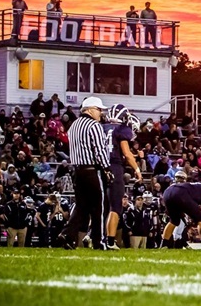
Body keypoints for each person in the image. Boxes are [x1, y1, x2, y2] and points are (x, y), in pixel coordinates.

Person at [58, 96, 112, 251]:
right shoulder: (94, 125)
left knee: (82, 205)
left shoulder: (74, 125)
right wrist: (107, 168)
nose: (100, 113)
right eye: (99, 109)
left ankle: (68, 234)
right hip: (91, 170)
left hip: (76, 170)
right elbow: (99, 149)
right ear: (90, 109)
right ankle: (98, 240)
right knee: (99, 206)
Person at [104, 104, 143, 250]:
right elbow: (125, 153)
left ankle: (95, 236)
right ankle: (109, 241)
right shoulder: (122, 130)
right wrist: (137, 170)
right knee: (116, 207)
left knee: (102, 206)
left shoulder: (102, 127)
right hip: (115, 168)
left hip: (101, 166)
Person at [160, 169, 201, 249]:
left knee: (174, 221)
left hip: (167, 192)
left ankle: (164, 245)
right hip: (181, 194)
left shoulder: (198, 187)